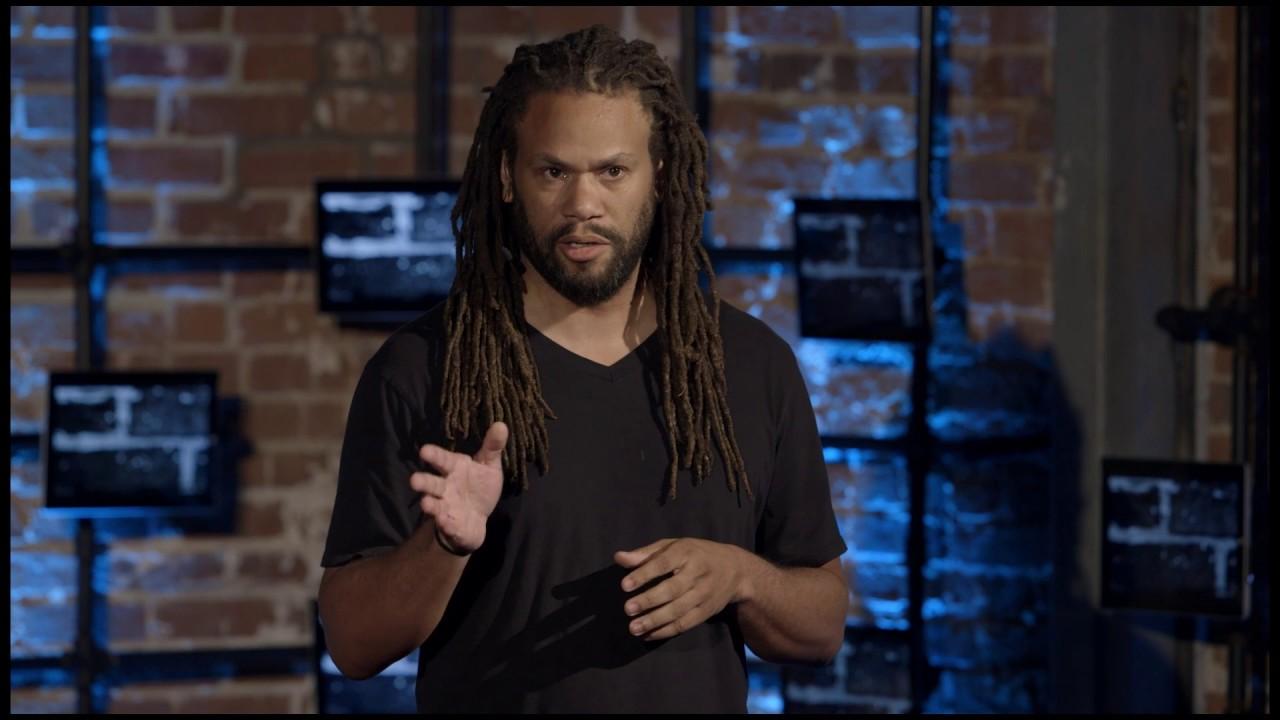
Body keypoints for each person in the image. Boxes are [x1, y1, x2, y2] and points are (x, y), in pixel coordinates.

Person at [317, 25, 849, 713]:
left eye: (612, 172)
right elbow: (354, 644)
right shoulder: (422, 367)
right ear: (507, 178)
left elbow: (822, 624)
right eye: (554, 172)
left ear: (660, 176)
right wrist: (444, 546)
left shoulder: (751, 363)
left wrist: (741, 577)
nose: (583, 206)